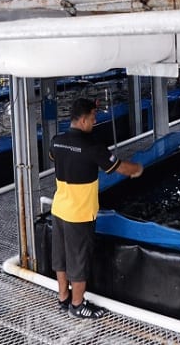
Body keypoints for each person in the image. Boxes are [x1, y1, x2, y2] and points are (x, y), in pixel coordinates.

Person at [50, 97, 143, 319]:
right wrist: (137, 169)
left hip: (59, 209)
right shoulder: (92, 147)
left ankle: (63, 297)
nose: (94, 122)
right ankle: (77, 304)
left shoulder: (56, 141)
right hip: (79, 214)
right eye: (92, 118)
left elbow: (56, 158)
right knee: (79, 261)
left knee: (61, 258)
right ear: (82, 120)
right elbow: (118, 167)